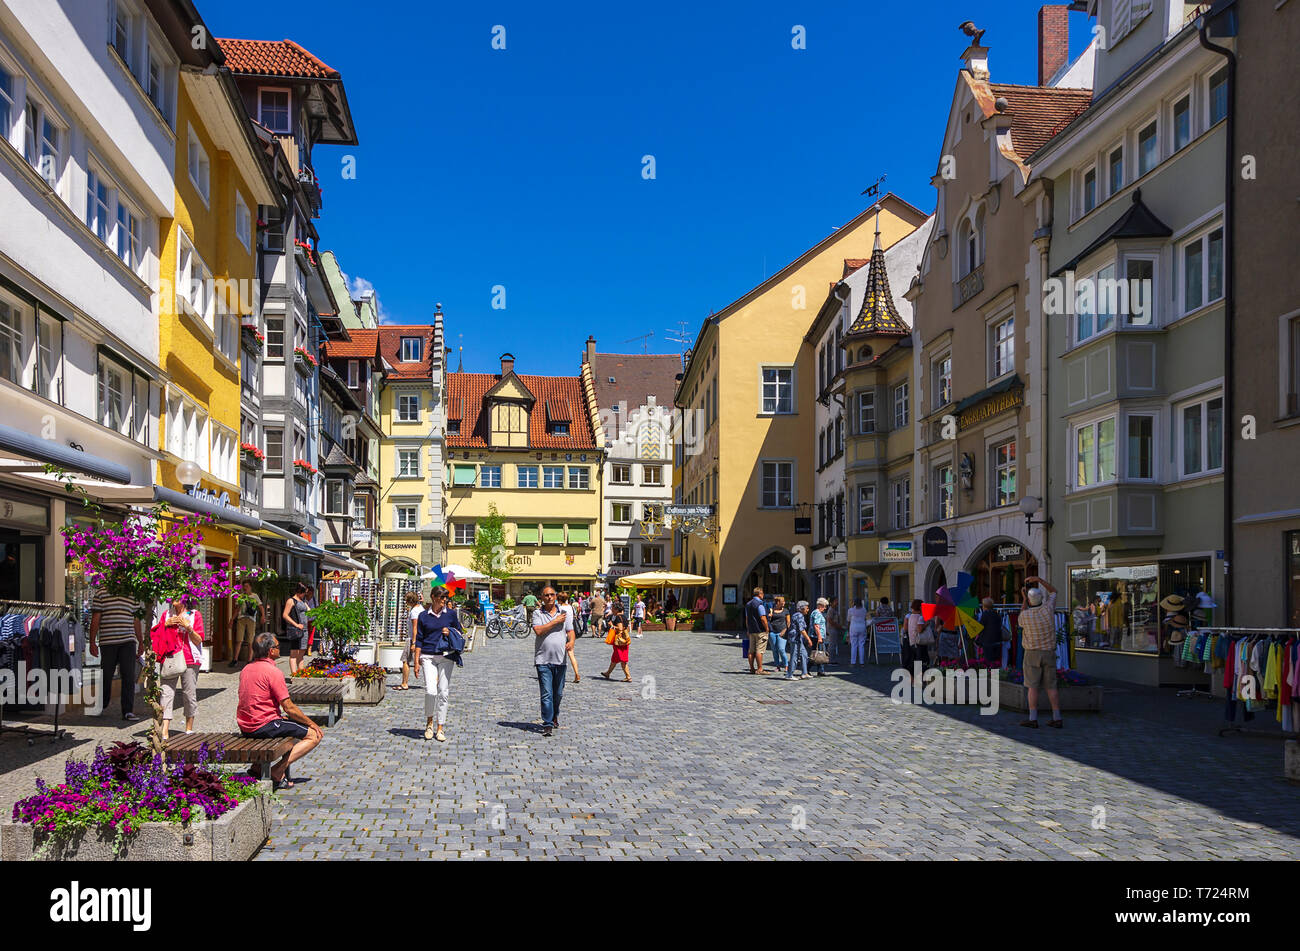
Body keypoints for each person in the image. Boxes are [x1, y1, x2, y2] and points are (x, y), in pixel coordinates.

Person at [236, 633, 322, 789]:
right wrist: (312, 723)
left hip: (246, 726)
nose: (279, 649)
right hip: (263, 725)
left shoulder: (246, 669)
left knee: (288, 724)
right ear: (270, 651)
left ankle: (257, 767)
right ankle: (277, 770)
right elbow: (288, 707)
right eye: (277, 647)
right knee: (313, 735)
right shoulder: (273, 672)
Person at [413, 585, 464, 742]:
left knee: (443, 691)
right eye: (442, 597)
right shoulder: (423, 616)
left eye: (446, 597)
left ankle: (440, 727)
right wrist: (416, 661)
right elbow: (419, 639)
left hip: (446, 655)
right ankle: (429, 723)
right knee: (431, 691)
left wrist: (450, 632)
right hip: (428, 656)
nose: (445, 600)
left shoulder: (451, 614)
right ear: (434, 597)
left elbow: (460, 632)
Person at [151, 596, 204, 740]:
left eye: (177, 596)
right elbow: (157, 635)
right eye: (171, 596)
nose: (173, 599)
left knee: (189, 694)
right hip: (170, 658)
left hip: (190, 659)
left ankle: (188, 729)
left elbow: (199, 639)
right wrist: (165, 624)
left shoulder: (194, 615)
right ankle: (165, 730)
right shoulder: (166, 615)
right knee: (166, 693)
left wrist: (188, 627)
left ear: (185, 598)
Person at [88, 589, 144, 721]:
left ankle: (128, 710)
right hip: (108, 641)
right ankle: (102, 703)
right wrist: (92, 642)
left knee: (128, 676)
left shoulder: (132, 595)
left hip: (128, 641)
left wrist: (140, 642)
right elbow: (96, 618)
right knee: (106, 675)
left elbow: (136, 620)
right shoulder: (101, 594)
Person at [1018, 576, 1062, 729]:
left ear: (1029, 601)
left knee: (1032, 686)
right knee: (1051, 686)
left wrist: (1024, 598)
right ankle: (1057, 717)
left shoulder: (1025, 615)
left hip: (1032, 653)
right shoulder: (1048, 609)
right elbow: (1054, 591)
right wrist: (1039, 580)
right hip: (1048, 652)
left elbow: (1022, 614)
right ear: (1042, 598)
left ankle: (1033, 718)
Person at [531, 587, 573, 737]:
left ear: (556, 596)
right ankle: (547, 723)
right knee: (547, 694)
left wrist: (571, 642)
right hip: (542, 659)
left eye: (552, 594)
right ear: (541, 597)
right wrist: (555, 621)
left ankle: (554, 715)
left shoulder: (564, 612)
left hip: (560, 659)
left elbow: (570, 630)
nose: (549, 597)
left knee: (558, 693)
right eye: (546, 595)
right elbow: (539, 631)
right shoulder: (537, 613)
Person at [230, 581, 264, 667]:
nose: (245, 588)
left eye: (247, 586)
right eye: (244, 586)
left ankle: (249, 660)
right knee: (239, 640)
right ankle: (235, 659)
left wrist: (263, 616)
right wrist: (232, 619)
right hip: (241, 618)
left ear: (250, 587)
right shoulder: (241, 596)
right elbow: (237, 609)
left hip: (251, 619)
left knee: (250, 640)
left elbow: (260, 606)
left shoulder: (254, 596)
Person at [282, 582, 312, 675]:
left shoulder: (302, 601)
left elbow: (309, 611)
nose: (304, 595)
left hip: (305, 629)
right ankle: (294, 674)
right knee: (294, 652)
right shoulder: (291, 601)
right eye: (304, 593)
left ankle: (301, 673)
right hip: (296, 630)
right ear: (299, 592)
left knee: (302, 652)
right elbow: (285, 615)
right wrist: (296, 624)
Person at [396, 591, 423, 691]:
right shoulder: (421, 608)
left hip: (412, 638)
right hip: (420, 638)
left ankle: (404, 683)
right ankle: (435, 681)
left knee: (405, 660)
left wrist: (413, 643)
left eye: (406, 600)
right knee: (423, 660)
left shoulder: (414, 612)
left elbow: (415, 628)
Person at [744, 586, 770, 674]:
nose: (763, 595)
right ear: (760, 594)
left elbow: (747, 618)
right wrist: (767, 628)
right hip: (760, 630)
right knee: (760, 650)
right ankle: (760, 669)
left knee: (751, 650)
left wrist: (748, 629)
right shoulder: (759, 604)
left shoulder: (748, 604)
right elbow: (763, 618)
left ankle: (751, 668)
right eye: (762, 594)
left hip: (752, 630)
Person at [558, 591, 581, 683]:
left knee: (559, 655)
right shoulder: (570, 607)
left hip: (561, 632)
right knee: (571, 654)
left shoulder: (559, 608)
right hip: (571, 632)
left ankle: (559, 675)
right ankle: (576, 674)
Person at [904, 599, 932, 673]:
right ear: (920, 607)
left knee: (916, 662)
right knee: (924, 661)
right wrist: (926, 624)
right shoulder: (920, 617)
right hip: (919, 643)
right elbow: (919, 630)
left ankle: (915, 680)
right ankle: (920, 680)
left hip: (912, 643)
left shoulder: (910, 616)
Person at [600, 616, 632, 682]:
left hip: (620, 642)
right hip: (624, 641)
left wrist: (612, 626)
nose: (612, 609)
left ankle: (628, 676)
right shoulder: (624, 617)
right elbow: (626, 628)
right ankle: (607, 673)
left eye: (613, 608)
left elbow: (620, 628)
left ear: (616, 609)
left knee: (622, 660)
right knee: (614, 659)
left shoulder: (618, 617)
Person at [786, 601, 811, 680]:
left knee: (804, 654)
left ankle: (804, 673)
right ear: (802, 608)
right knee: (794, 656)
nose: (808, 609)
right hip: (795, 639)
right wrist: (808, 639)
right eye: (807, 608)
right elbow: (802, 630)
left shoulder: (797, 615)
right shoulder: (799, 616)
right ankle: (789, 675)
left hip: (798, 639)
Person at [977, 597, 1004, 667]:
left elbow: (980, 628)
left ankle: (987, 676)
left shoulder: (985, 614)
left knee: (987, 662)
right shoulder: (997, 614)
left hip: (988, 642)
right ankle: (994, 677)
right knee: (995, 662)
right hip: (997, 641)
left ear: (984, 606)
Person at [768, 595, 790, 669]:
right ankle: (777, 666)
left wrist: (785, 630)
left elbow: (788, 622)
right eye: (782, 601)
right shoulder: (771, 610)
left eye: (784, 601)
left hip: (782, 632)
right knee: (774, 650)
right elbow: (768, 621)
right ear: (777, 602)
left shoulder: (786, 610)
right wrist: (770, 616)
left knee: (781, 649)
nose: (784, 603)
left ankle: (786, 665)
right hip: (772, 632)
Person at [809, 598, 829, 677]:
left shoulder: (815, 612)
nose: (825, 608)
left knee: (819, 653)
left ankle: (820, 670)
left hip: (815, 636)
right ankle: (807, 669)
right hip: (816, 636)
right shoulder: (817, 613)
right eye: (824, 606)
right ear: (820, 605)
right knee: (816, 654)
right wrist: (820, 637)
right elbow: (816, 625)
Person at [847, 598, 869, 666]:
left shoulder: (850, 610)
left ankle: (853, 662)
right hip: (862, 627)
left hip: (853, 628)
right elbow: (866, 618)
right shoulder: (864, 610)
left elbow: (848, 620)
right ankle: (861, 662)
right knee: (861, 645)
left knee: (853, 645)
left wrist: (847, 629)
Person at [825, 597, 843, 665]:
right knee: (832, 645)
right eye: (836, 601)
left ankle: (832, 659)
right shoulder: (831, 610)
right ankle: (830, 660)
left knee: (833, 645)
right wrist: (838, 626)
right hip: (832, 629)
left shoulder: (834, 609)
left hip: (834, 628)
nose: (837, 602)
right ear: (832, 602)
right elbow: (830, 620)